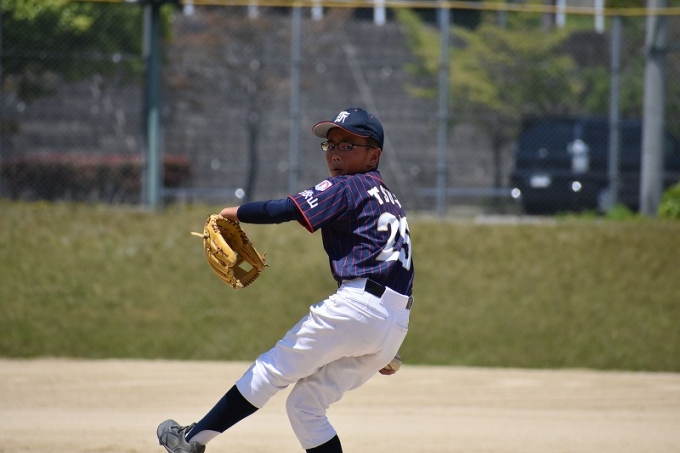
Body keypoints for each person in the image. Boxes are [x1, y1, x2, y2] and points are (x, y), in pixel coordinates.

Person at [157, 107, 415, 453]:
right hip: (392, 321)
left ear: (374, 155)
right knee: (306, 407)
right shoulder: (388, 198)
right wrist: (380, 342)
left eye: (347, 145)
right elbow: (395, 271)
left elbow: (285, 209)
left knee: (271, 370)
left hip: (359, 307)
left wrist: (231, 213)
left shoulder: (347, 187)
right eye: (330, 145)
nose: (335, 153)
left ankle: (190, 441)